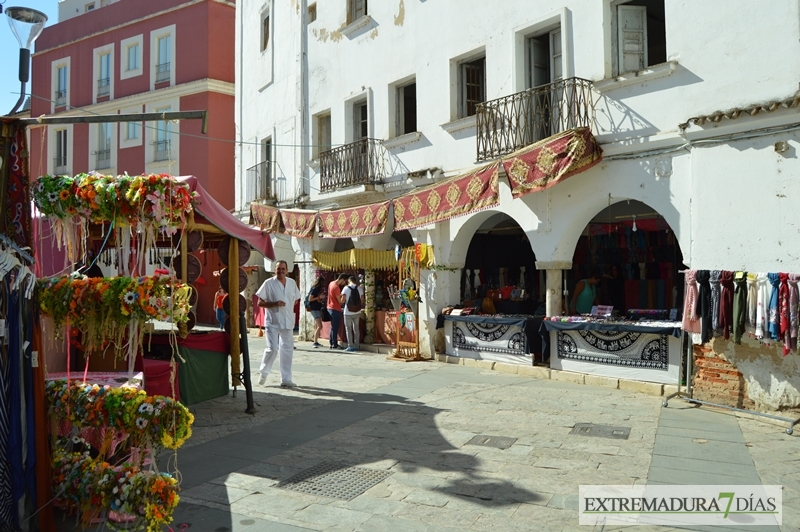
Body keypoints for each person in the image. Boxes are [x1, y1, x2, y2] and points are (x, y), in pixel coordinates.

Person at [256, 260, 301, 388]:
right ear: (274, 270)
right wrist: (275, 304)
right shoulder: (268, 283)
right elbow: (260, 303)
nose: (280, 271)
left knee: (287, 350)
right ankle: (263, 372)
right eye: (278, 269)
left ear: (287, 270)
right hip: (273, 321)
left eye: (283, 269)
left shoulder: (292, 283)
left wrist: (288, 308)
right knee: (273, 348)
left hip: (287, 321)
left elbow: (296, 299)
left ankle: (286, 379)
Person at [340, 276, 364, 352]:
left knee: (348, 329)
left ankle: (350, 346)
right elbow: (362, 300)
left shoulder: (346, 288)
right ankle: (356, 346)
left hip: (348, 312)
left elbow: (343, 301)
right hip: (357, 311)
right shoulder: (360, 288)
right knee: (356, 328)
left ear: (349, 281)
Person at [326, 273, 349, 350]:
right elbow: (340, 301)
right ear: (342, 279)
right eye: (344, 281)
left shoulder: (331, 283)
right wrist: (344, 296)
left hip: (329, 307)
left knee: (333, 327)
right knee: (335, 328)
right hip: (335, 308)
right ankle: (335, 344)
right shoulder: (336, 287)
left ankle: (332, 343)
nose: (344, 283)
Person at [307, 276, 326, 348]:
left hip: (316, 308)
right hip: (314, 309)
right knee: (320, 326)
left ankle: (316, 341)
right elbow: (310, 299)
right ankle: (315, 342)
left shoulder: (315, 289)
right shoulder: (315, 289)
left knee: (317, 326)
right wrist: (319, 297)